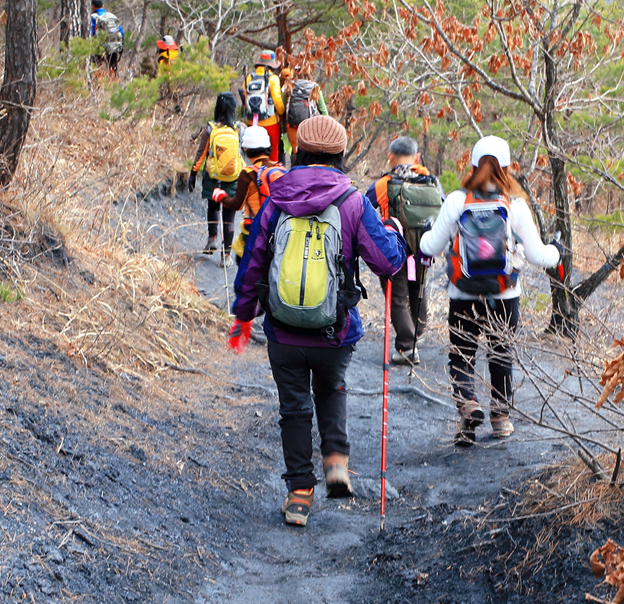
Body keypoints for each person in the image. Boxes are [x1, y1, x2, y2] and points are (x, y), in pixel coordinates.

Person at [230, 115, 406, 526]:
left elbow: (253, 262)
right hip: (334, 331)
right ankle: (336, 462)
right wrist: (394, 231)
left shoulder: (276, 200)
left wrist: (244, 315)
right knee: (331, 389)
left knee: (293, 408)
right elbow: (388, 262)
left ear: (297, 151)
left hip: (283, 332)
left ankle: (299, 495)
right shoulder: (353, 203)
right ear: (341, 155)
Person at [420, 135, 561, 447]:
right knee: (501, 354)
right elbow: (539, 257)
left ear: (472, 166)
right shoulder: (516, 206)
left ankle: (468, 406)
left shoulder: (456, 201)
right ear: (508, 168)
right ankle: (501, 419)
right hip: (504, 295)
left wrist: (425, 234)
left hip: (463, 294)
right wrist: (557, 251)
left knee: (461, 354)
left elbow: (430, 246)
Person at [368, 136, 443, 366]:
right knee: (418, 288)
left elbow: (365, 209)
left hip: (395, 248)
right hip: (424, 247)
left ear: (390, 156)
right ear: (417, 157)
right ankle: (416, 332)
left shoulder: (383, 184)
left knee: (397, 297)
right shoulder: (432, 182)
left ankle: (407, 346)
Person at [219, 125, 287, 267]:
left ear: (246, 149)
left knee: (245, 266)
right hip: (277, 230)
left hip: (253, 231)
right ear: (268, 147)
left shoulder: (248, 173)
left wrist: (221, 197)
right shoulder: (279, 169)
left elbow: (236, 204)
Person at [188, 94, 243, 256]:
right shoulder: (239, 128)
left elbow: (201, 154)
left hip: (213, 176)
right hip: (233, 177)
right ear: (233, 109)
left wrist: (193, 173)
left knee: (213, 206)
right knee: (229, 214)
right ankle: (226, 255)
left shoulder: (210, 128)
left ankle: (212, 238)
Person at [239, 51, 285, 164]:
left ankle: (256, 172)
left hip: (252, 122)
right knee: (273, 154)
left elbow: (245, 98)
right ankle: (272, 173)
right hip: (270, 122)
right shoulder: (273, 78)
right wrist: (282, 113)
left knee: (255, 155)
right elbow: (277, 101)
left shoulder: (249, 78)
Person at [279, 65, 328, 164]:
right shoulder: (315, 87)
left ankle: (295, 170)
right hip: (310, 126)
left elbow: (283, 111)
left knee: (295, 154)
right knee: (310, 154)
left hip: (292, 126)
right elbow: (323, 111)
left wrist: (284, 130)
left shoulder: (289, 87)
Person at [90, 0, 124, 73]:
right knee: (113, 68)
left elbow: (92, 32)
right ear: (103, 6)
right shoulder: (111, 16)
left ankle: (97, 78)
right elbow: (121, 31)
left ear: (93, 6)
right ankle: (114, 78)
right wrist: (121, 44)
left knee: (95, 67)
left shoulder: (94, 17)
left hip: (99, 46)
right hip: (113, 45)